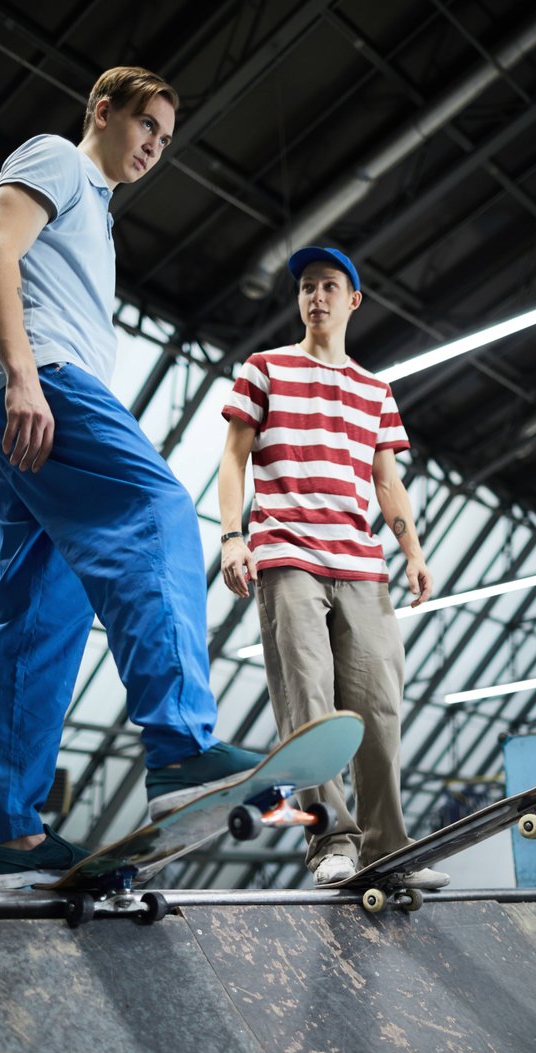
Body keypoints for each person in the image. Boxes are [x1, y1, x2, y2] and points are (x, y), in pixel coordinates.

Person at [0, 66, 260, 890]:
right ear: (104, 111)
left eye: (165, 142)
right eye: (145, 129)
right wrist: (25, 377)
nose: (154, 149)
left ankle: (12, 837)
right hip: (45, 387)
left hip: (26, 404)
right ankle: (182, 750)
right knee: (158, 507)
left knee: (31, 615)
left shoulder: (95, 214)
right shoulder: (59, 158)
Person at [218, 246, 450, 889]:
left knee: (379, 704)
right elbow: (233, 458)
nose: (316, 296)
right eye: (306, 287)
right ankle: (331, 842)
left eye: (329, 286)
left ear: (353, 301)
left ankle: (386, 848)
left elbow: (387, 480)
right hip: (287, 554)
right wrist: (234, 537)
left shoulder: (375, 389)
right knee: (310, 703)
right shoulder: (264, 369)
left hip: (361, 564)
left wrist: (413, 551)